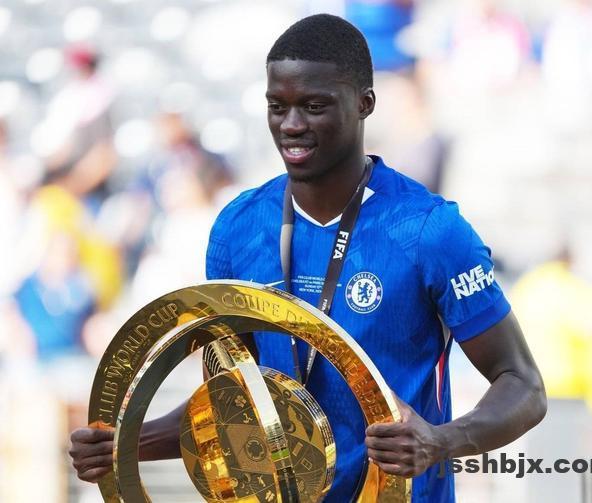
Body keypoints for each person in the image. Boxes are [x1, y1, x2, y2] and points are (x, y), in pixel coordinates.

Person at [69, 14, 546, 502]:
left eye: (314, 106)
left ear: (364, 104)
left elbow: (524, 385)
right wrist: (126, 441)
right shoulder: (238, 227)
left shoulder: (428, 230)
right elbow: (234, 401)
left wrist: (441, 441)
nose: (292, 125)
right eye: (277, 107)